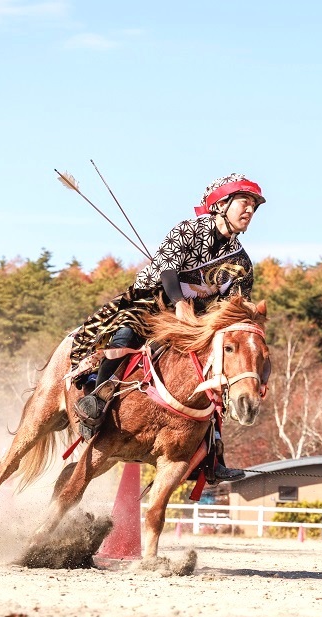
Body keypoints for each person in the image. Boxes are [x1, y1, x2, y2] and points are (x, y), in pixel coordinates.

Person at [69, 173, 266, 483]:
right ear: (221, 204)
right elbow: (168, 271)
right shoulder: (187, 231)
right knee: (123, 335)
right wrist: (179, 303)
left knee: (215, 373)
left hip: (198, 324)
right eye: (245, 203)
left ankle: (214, 455)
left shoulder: (241, 262)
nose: (250, 211)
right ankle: (98, 399)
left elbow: (232, 308)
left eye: (254, 207)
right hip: (153, 302)